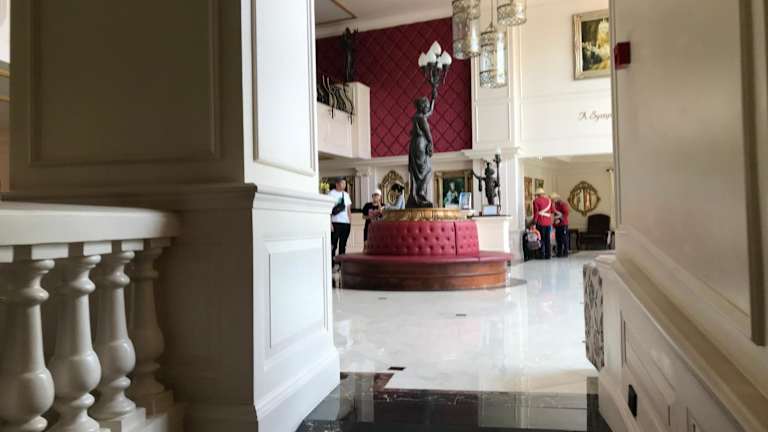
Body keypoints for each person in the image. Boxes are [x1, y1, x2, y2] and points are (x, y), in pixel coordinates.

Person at [328, 178, 352, 262]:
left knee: (343, 245)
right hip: (335, 223)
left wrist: (350, 222)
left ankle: (341, 264)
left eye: (345, 184)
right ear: (337, 184)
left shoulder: (346, 194)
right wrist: (330, 223)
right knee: (333, 245)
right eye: (342, 183)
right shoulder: (331, 194)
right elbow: (328, 209)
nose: (344, 185)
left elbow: (348, 209)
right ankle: (331, 263)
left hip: (345, 223)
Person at [532, 188, 553, 259]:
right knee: (548, 239)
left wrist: (534, 223)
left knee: (541, 239)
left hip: (540, 222)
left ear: (537, 195)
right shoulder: (549, 200)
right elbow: (552, 211)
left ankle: (541, 255)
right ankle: (548, 255)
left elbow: (536, 213)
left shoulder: (536, 201)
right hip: (548, 222)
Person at [552, 193, 570, 257]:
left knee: (564, 239)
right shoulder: (555, 205)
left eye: (553, 199)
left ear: (557, 198)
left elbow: (566, 214)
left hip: (563, 224)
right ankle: (559, 253)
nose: (553, 201)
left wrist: (560, 220)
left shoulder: (563, 204)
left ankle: (565, 252)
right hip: (557, 225)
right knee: (558, 239)